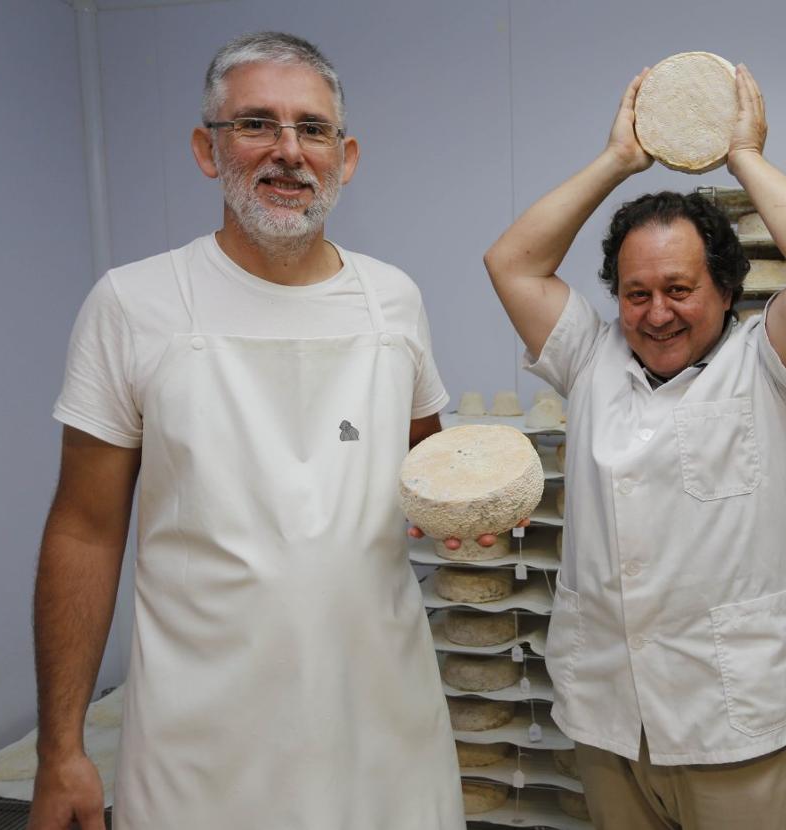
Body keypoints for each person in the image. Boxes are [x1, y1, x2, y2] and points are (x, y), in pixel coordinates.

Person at [28, 32, 463, 830]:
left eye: (313, 129)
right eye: (256, 124)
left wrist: (481, 517)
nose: (289, 152)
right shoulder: (134, 304)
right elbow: (85, 531)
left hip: (384, 729)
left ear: (347, 155)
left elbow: (433, 478)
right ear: (206, 148)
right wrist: (61, 752)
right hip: (201, 748)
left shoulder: (392, 301)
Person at [483, 65, 786, 829]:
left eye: (680, 289)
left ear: (726, 289)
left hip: (731, 718)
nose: (656, 313)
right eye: (635, 293)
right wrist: (621, 158)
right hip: (610, 714)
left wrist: (741, 153)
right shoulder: (591, 362)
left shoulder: (770, 367)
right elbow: (511, 262)